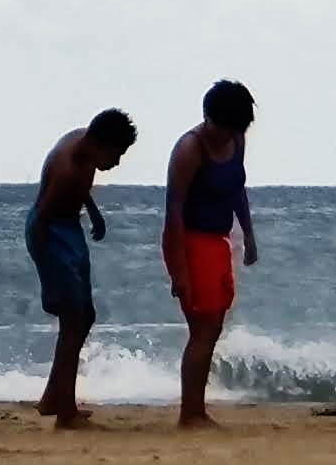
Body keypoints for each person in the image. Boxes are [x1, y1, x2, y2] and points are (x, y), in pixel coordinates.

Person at [28, 109, 137, 428]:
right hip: (49, 233)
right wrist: (51, 273)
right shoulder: (66, 168)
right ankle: (66, 413)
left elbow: (80, 188)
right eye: (115, 154)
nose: (116, 163)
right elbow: (40, 224)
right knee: (73, 319)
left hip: (69, 227)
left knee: (84, 316)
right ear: (98, 143)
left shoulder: (84, 147)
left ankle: (53, 396)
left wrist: (93, 211)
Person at [160, 80, 258, 428]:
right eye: (222, 128)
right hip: (190, 241)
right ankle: (191, 412)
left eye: (234, 129)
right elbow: (173, 212)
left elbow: (236, 188)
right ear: (207, 118)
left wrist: (248, 233)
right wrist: (179, 271)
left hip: (218, 241)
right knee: (202, 330)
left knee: (214, 327)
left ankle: (196, 408)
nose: (226, 136)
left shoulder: (236, 140)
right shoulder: (190, 149)